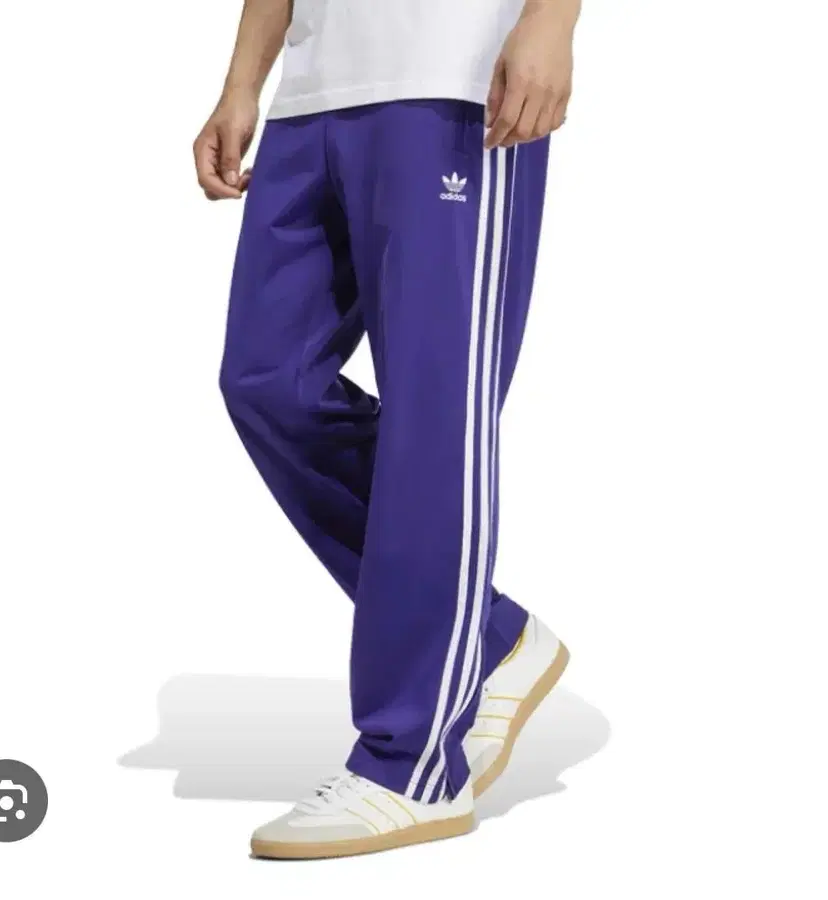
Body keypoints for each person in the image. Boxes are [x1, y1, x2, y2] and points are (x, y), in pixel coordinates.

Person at [193, 0, 581, 860]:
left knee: (434, 420)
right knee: (268, 382)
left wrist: (553, 22)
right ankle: (489, 638)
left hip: (455, 79)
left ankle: (413, 767)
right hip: (315, 91)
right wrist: (242, 83)